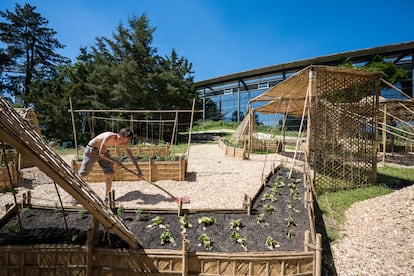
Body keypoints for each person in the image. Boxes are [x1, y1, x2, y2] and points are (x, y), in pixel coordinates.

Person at [72, 128, 143, 204]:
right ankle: (74, 196)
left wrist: (139, 171)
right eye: (127, 139)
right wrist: (116, 162)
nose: (128, 141)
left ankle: (107, 197)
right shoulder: (110, 136)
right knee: (83, 173)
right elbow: (100, 154)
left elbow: (131, 156)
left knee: (110, 173)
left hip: (104, 152)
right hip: (92, 151)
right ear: (122, 136)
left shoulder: (124, 143)